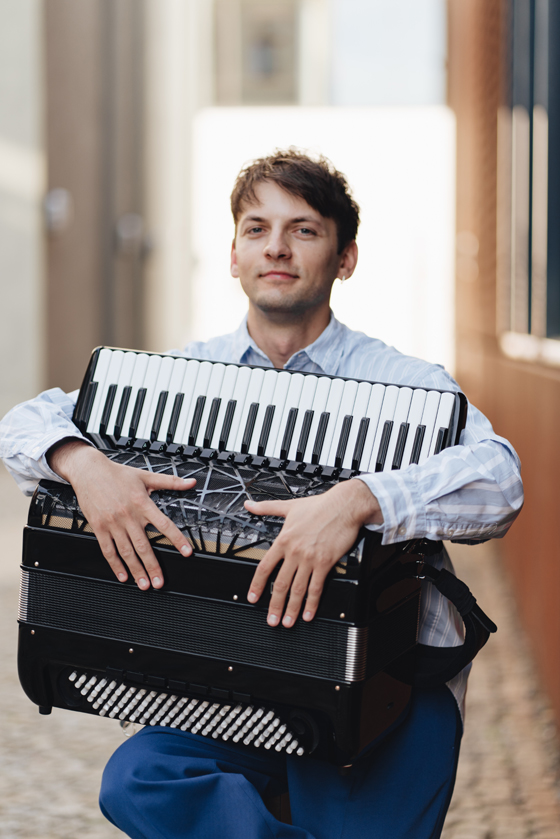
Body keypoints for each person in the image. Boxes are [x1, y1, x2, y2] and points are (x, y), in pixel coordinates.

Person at [0, 150, 523, 839]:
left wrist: (363, 497)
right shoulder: (181, 376)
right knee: (139, 779)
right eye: (256, 228)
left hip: (384, 690)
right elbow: (24, 422)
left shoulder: (405, 385)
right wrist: (83, 463)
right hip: (231, 681)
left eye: (304, 230)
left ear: (345, 258)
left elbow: (500, 480)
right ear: (233, 254)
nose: (276, 246)